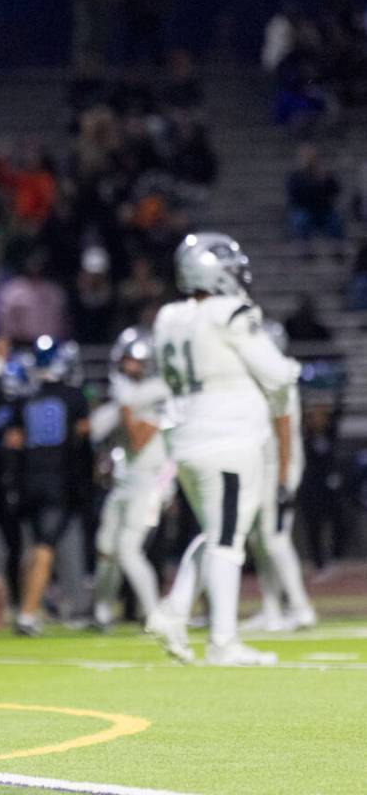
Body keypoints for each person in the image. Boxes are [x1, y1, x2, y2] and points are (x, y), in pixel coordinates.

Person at [145, 233, 300, 667]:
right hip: (229, 436)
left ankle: (173, 611)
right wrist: (292, 371)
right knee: (229, 540)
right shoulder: (232, 312)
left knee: (216, 532)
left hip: (187, 437)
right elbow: (275, 373)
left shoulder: (168, 316)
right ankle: (223, 641)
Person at [4, 336, 91, 635]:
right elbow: (83, 438)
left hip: (29, 480)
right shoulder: (73, 396)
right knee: (45, 547)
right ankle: (27, 614)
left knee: (33, 548)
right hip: (58, 479)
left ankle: (29, 608)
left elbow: (13, 442)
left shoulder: (26, 397)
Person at [91, 327, 174, 630]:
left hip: (152, 483)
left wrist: (125, 406)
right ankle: (101, 612)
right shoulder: (130, 394)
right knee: (106, 547)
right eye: (125, 361)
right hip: (126, 480)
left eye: (134, 361)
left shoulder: (160, 394)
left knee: (128, 549)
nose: (128, 367)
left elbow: (138, 438)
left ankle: (154, 614)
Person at [242, 320, 316, 632]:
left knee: (275, 539)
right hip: (266, 465)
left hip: (278, 466)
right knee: (260, 540)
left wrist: (284, 477)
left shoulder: (277, 380)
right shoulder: (266, 379)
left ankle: (301, 608)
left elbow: (284, 431)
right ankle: (272, 608)